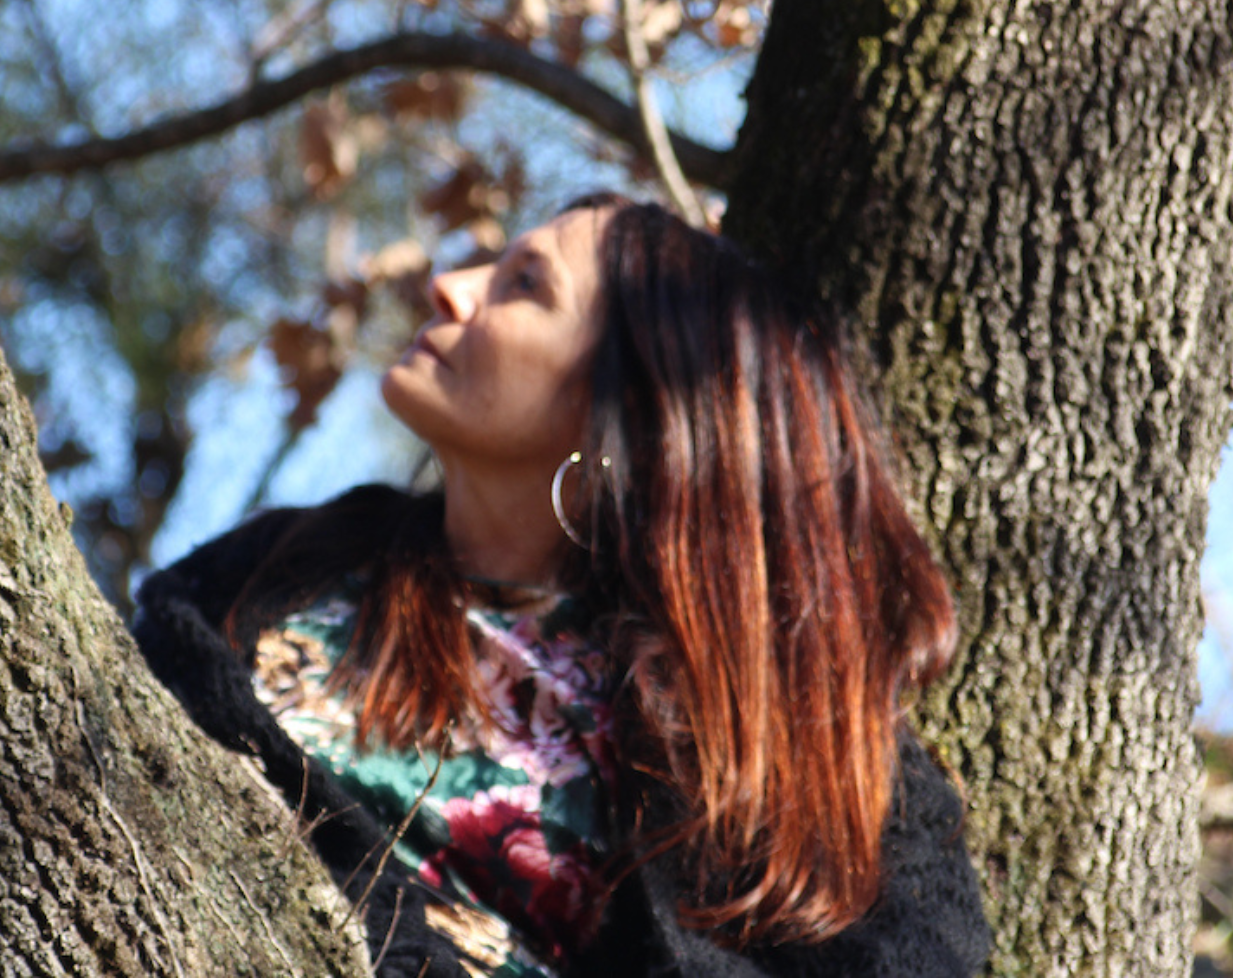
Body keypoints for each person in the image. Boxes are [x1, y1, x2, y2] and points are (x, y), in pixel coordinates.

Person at [128, 195, 992, 977]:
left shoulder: (794, 749)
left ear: (631, 408)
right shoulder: (291, 561)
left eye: (523, 286)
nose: (450, 287)